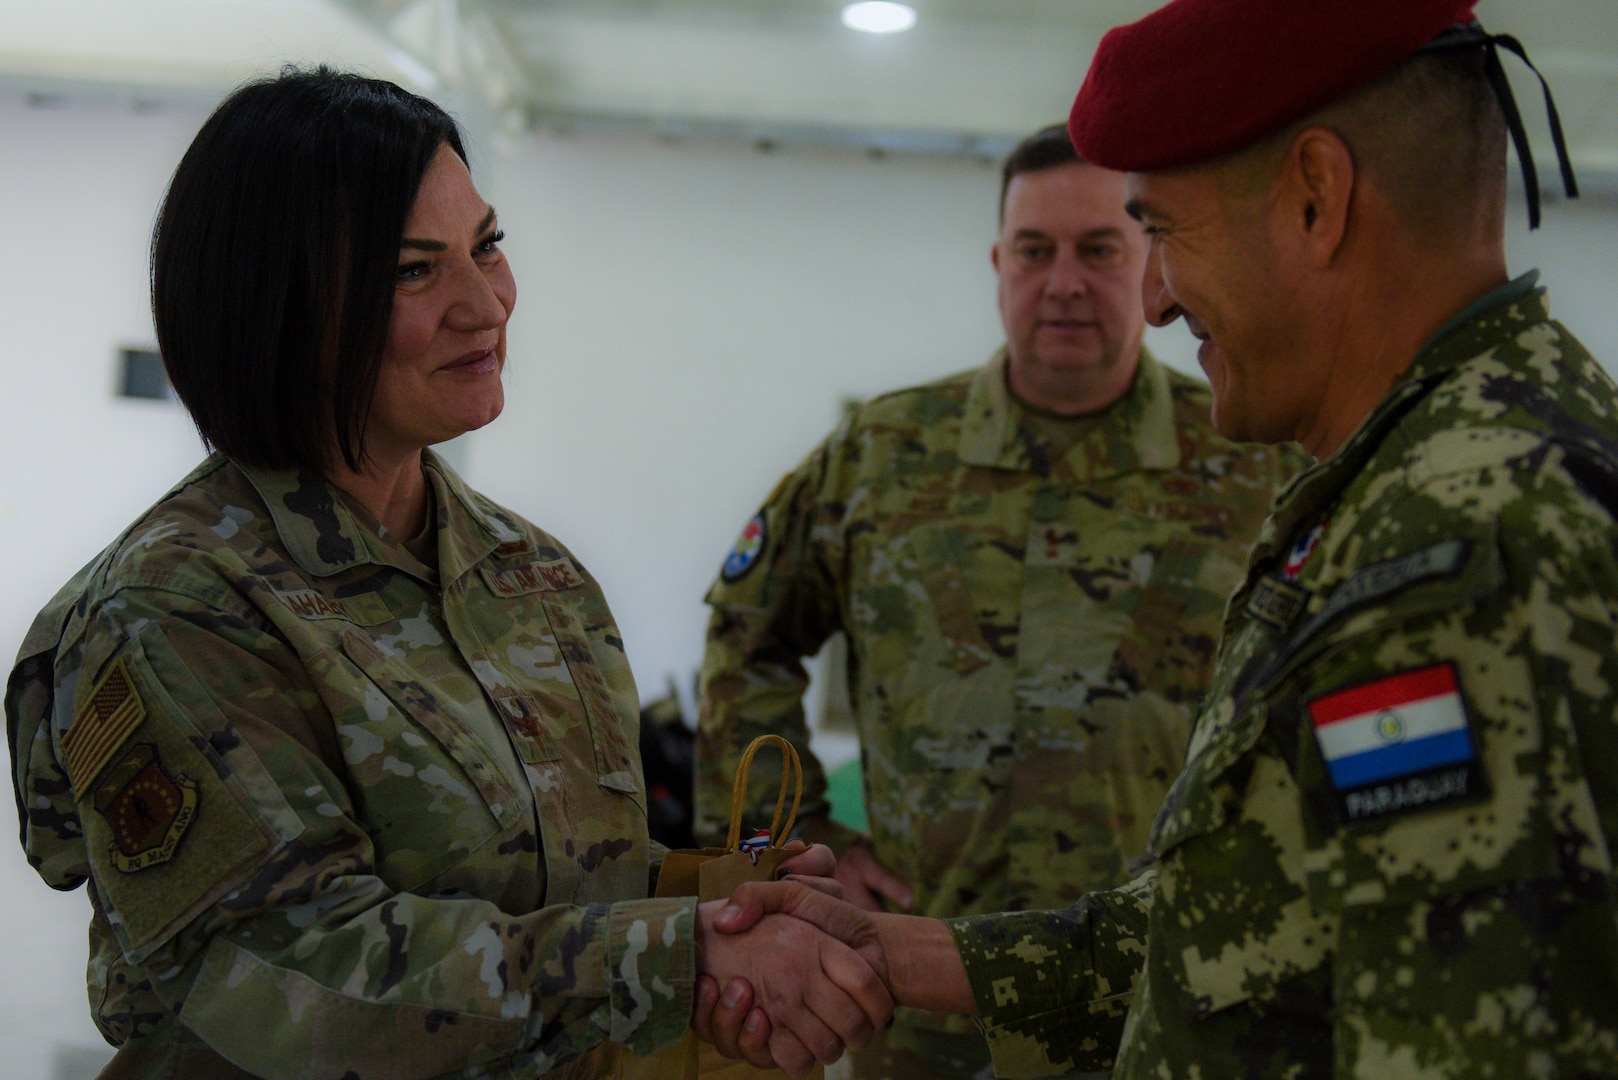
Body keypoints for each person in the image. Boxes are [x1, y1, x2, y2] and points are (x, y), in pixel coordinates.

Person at [696, 0, 1618, 1076]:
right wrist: (909, 954)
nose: (1160, 297)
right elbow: (1243, 929)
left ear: (1315, 200)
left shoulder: (1459, 545)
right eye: (1038, 251)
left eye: (1161, 234)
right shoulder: (1414, 484)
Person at [4, 69, 889, 1079]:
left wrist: (724, 905)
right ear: (279, 303)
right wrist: (679, 957)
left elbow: (554, 880)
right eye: (414, 271)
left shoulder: (533, 575)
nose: (485, 304)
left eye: (488, 247)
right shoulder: (179, 607)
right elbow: (295, 973)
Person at [694, 123, 1300, 1077]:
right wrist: (794, 840)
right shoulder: (883, 455)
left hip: (1152, 1009)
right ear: (998, 264)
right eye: (1034, 251)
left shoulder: (1250, 464)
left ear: (1151, 263)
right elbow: (746, 630)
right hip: (913, 1015)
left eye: (1099, 250)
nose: (1064, 281)